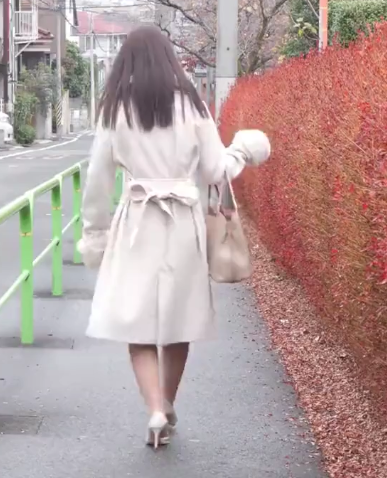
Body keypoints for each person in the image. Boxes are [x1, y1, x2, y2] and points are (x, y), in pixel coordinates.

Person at [77, 26, 271, 449]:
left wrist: (95, 233)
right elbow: (215, 170)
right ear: (169, 59)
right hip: (183, 222)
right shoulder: (192, 105)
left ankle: (153, 410)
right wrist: (243, 149)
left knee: (139, 325)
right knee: (179, 323)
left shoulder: (116, 109)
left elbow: (97, 180)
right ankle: (167, 401)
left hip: (136, 222)